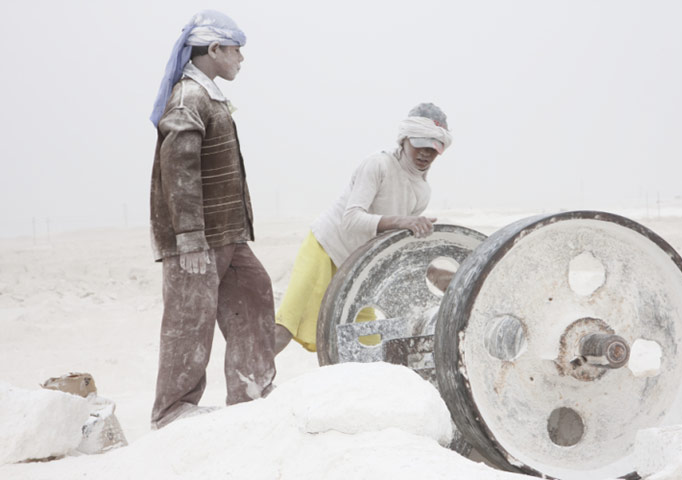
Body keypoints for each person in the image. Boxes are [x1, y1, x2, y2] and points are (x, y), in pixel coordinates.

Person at [148, 10, 275, 429]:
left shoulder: (209, 95)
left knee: (255, 294)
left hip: (228, 234)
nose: (241, 58)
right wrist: (188, 235)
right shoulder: (189, 97)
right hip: (198, 239)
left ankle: (252, 394)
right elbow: (178, 166)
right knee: (190, 321)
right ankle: (172, 412)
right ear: (215, 49)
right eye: (236, 49)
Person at [274, 103, 453, 355]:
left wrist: (434, 273)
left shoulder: (422, 191)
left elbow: (398, 243)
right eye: (419, 146)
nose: (425, 154)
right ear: (404, 140)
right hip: (327, 247)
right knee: (286, 328)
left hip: (358, 267)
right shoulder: (378, 165)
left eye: (432, 150)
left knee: (367, 343)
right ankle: (250, 388)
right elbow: (352, 219)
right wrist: (402, 221)